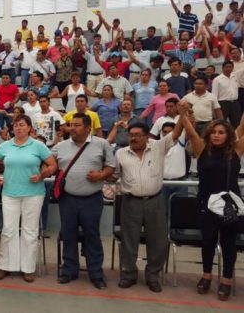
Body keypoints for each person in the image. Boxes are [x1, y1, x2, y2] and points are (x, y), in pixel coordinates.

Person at [176, 100, 244, 301]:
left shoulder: (236, 150)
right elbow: (189, 127)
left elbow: (242, 126)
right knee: (207, 241)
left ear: (228, 135)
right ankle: (206, 275)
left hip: (229, 204)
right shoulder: (201, 148)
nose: (216, 135)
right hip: (206, 204)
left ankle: (227, 279)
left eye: (221, 132)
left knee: (229, 243)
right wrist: (182, 112)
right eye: (214, 132)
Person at [111, 119, 183, 293]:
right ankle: (128, 274)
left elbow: (176, 133)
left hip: (155, 201)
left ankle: (152, 276)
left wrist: (182, 115)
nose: (133, 138)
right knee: (129, 240)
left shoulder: (158, 147)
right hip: (130, 201)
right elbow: (114, 175)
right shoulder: (121, 153)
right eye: (131, 135)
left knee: (158, 241)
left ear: (146, 137)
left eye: (137, 135)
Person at [0, 115, 56, 283]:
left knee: (29, 231)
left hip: (34, 194)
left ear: (30, 128)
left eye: (22, 125)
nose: (18, 128)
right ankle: (6, 266)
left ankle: (28, 268)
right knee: (8, 231)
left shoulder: (38, 146)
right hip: (9, 194)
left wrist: (42, 175)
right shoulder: (5, 146)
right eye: (15, 125)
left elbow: (53, 165)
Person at [51, 112, 115, 289]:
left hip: (92, 199)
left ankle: (96, 273)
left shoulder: (102, 144)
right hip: (68, 199)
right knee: (68, 234)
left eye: (77, 125)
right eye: (71, 125)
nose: (72, 128)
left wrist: (101, 174)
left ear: (88, 128)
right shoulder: (61, 146)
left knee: (92, 235)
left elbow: (111, 166)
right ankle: (69, 270)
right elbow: (49, 161)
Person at [212, 61, 244, 125]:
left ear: (232, 68)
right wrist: (216, 108)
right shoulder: (217, 79)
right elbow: (214, 95)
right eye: (226, 67)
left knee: (237, 123)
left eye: (230, 67)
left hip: (235, 103)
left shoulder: (235, 76)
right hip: (223, 104)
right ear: (222, 68)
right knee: (222, 124)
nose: (228, 69)